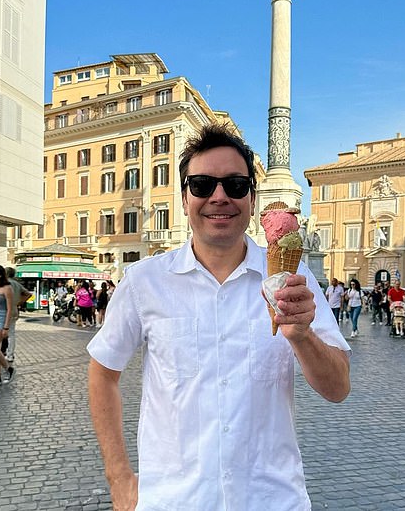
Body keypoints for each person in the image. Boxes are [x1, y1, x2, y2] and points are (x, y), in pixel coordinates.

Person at [87, 123, 351, 510]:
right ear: (184, 198)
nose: (219, 196)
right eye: (202, 185)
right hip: (174, 500)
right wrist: (119, 477)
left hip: (270, 499)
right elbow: (102, 372)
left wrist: (302, 335)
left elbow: (337, 388)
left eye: (235, 185)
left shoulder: (295, 279)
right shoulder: (144, 281)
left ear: (253, 198)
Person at [3, 267, 32, 362]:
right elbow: (28, 294)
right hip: (14, 309)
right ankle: (10, 354)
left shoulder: (4, 283)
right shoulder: (17, 284)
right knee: (11, 334)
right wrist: (19, 302)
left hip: (3, 309)